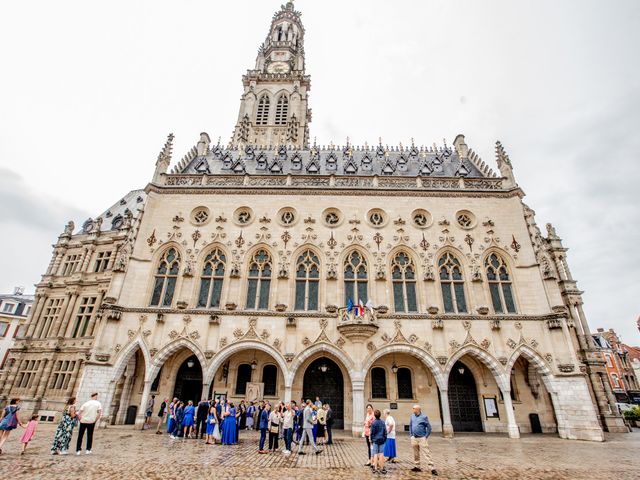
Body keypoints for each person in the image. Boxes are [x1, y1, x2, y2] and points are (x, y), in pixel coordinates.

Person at [409, 404, 437, 475]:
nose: (413, 410)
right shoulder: (412, 416)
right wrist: (411, 435)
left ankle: (432, 468)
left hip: (422, 438)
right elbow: (410, 425)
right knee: (416, 453)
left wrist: (426, 436)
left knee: (426, 453)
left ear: (418, 410)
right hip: (414, 438)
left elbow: (429, 428)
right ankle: (417, 466)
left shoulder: (424, 417)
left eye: (414, 409)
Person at [370, 409, 388, 474]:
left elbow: (372, 433)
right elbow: (385, 432)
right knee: (381, 454)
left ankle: (375, 468)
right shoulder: (383, 422)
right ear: (380, 415)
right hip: (382, 439)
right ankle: (382, 468)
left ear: (374, 415)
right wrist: (385, 439)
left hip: (375, 440)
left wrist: (372, 440)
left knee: (375, 454)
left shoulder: (373, 423)